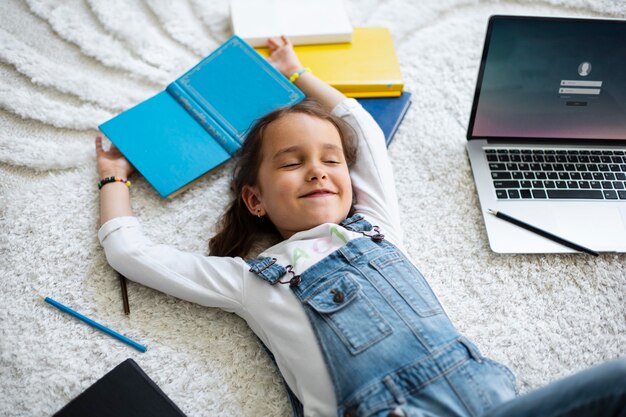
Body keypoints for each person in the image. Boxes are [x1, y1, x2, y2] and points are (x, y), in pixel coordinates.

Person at [96, 36, 626, 417]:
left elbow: (362, 131)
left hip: (489, 398)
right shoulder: (251, 280)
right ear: (254, 200)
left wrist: (297, 72)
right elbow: (132, 254)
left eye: (331, 160)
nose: (318, 170)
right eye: (291, 162)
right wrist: (113, 179)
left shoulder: (375, 226)